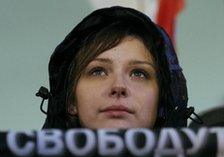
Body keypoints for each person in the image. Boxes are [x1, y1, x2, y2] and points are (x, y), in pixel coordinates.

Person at [36, 6, 195, 130]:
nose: (118, 87)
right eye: (98, 71)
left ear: (161, 101)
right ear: (70, 101)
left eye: (138, 73)